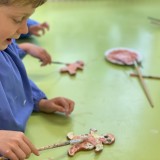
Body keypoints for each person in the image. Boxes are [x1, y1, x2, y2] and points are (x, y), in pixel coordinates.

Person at [0, 1, 75, 160]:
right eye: (18, 19)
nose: (25, 29)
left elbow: (14, 79)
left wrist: (38, 102)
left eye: (27, 19)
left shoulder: (5, 46)